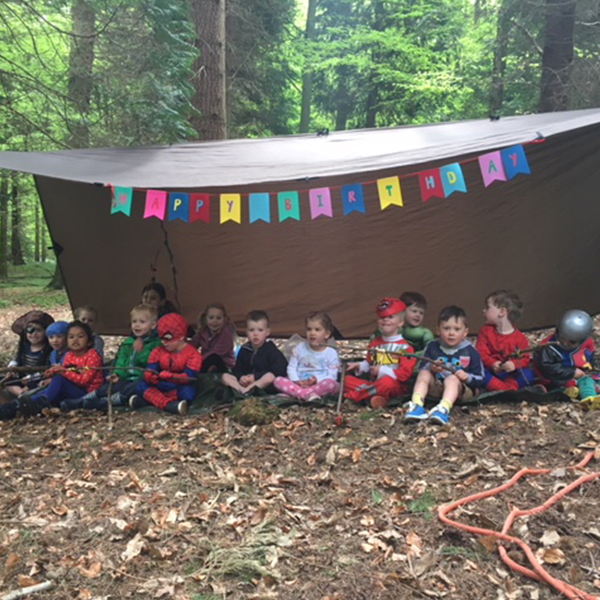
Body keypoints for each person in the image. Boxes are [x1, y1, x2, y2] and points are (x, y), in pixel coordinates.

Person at [405, 305, 484, 425]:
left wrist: (467, 377)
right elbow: (421, 368)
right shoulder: (433, 346)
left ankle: (443, 409)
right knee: (424, 373)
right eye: (446, 328)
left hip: (461, 390)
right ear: (438, 330)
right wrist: (432, 368)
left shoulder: (470, 351)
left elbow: (481, 378)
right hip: (437, 387)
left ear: (465, 332)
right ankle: (417, 405)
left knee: (452, 378)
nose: (451, 333)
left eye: (457, 329)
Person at [79, 304, 162, 410]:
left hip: (141, 378)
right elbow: (121, 360)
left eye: (142, 322)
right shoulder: (128, 342)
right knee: (110, 386)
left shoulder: (155, 344)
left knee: (135, 387)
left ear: (153, 325)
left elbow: (151, 362)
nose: (137, 325)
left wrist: (141, 352)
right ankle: (84, 399)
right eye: (134, 322)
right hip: (126, 377)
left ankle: (108, 401)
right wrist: (117, 373)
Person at [18, 321, 104, 417]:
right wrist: (52, 373)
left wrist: (62, 371)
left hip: (87, 392)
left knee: (59, 380)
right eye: (71, 337)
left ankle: (41, 403)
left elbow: (84, 380)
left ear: (89, 342)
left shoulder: (92, 356)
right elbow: (69, 371)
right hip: (72, 388)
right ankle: (19, 405)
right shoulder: (69, 355)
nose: (75, 340)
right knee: (49, 388)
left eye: (80, 337)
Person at [345, 298, 416, 409]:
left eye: (390, 317)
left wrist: (382, 371)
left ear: (401, 322)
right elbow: (369, 362)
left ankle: (357, 396)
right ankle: (377, 398)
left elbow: (405, 375)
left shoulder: (406, 348)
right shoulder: (375, 343)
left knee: (387, 383)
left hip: (394, 386)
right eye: (382, 317)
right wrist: (359, 365)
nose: (386, 320)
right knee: (347, 381)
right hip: (374, 384)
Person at [130, 313, 202, 415]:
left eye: (168, 338)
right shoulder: (158, 351)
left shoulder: (193, 354)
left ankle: (151, 400)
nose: (164, 342)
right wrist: (150, 375)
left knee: (189, 393)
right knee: (141, 385)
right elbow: (151, 367)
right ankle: (169, 405)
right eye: (161, 338)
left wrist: (172, 376)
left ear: (181, 336)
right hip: (161, 384)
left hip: (178, 386)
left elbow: (190, 377)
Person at [274, 311, 340, 402]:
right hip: (299, 383)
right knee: (278, 381)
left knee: (332, 385)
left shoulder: (331, 353)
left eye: (317, 330)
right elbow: (291, 367)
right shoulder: (299, 348)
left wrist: (317, 380)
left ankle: (297, 394)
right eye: (309, 329)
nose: (312, 333)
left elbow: (332, 375)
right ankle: (306, 395)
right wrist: (296, 380)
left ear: (326, 334)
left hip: (319, 384)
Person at [477, 290, 535, 392]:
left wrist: (514, 364)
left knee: (528, 374)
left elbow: (525, 359)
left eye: (488, 307)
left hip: (510, 374)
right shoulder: (485, 331)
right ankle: (509, 390)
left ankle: (500, 388)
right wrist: (493, 363)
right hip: (492, 371)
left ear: (502, 312)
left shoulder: (520, 338)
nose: (484, 311)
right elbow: (481, 353)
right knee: (479, 372)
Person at [534, 309, 598, 400]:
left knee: (592, 380)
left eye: (572, 342)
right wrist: (572, 372)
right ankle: (589, 398)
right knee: (585, 382)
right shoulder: (549, 347)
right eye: (562, 338)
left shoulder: (586, 345)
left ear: (582, 340)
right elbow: (547, 368)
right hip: (556, 380)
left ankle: (574, 391)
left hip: (579, 375)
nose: (565, 343)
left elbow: (590, 359)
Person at [222, 310, 287, 395]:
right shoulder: (245, 349)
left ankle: (247, 391)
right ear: (246, 332)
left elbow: (280, 371)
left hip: (262, 385)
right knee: (225, 377)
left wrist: (256, 377)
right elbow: (237, 369)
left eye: (260, 330)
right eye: (251, 330)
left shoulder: (271, 350)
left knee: (270, 377)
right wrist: (241, 377)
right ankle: (242, 390)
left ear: (267, 332)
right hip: (245, 383)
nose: (255, 334)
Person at [4, 312, 54, 397]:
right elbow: (18, 359)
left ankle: (25, 396)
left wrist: (31, 379)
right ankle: (21, 394)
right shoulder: (25, 347)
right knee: (6, 382)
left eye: (38, 330)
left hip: (38, 379)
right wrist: (11, 368)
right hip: (21, 378)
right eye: (29, 330)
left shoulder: (48, 350)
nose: (33, 334)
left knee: (40, 386)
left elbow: (47, 369)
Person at [190, 303, 236, 372]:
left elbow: (216, 352)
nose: (215, 321)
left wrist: (198, 360)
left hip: (225, 365)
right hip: (205, 361)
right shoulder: (203, 331)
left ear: (225, 319)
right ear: (206, 319)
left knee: (214, 358)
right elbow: (192, 345)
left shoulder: (226, 333)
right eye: (211, 318)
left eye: (218, 318)